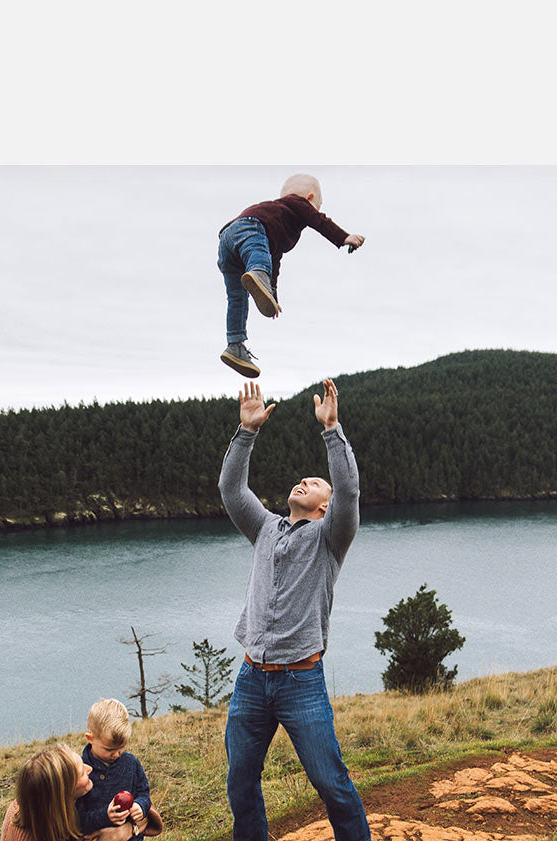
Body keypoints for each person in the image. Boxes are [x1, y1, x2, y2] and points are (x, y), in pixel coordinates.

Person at [218, 378, 371, 841]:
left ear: (324, 507)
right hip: (251, 677)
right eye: (302, 479)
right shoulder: (265, 527)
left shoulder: (330, 538)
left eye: (313, 483)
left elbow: (349, 492)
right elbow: (230, 487)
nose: (302, 481)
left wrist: (331, 429)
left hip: (300, 681)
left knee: (332, 784)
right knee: (240, 783)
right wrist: (246, 433)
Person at [218, 174, 365, 377]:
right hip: (251, 228)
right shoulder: (297, 202)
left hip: (227, 243)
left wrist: (272, 295)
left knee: (237, 298)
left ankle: (235, 345)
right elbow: (319, 221)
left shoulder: (279, 222)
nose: (316, 212)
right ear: (310, 198)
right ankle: (258, 275)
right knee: (259, 256)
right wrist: (343, 237)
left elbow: (274, 261)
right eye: (318, 206)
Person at [76, 698, 159, 839]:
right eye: (109, 749)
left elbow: (144, 794)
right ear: (90, 738)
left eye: (121, 748)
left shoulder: (131, 763)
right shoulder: (81, 772)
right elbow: (77, 819)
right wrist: (105, 816)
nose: (116, 754)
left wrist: (140, 806)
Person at [0, 743, 95, 841]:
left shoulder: (32, 804)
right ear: (63, 793)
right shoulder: (31, 836)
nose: (90, 768)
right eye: (82, 773)